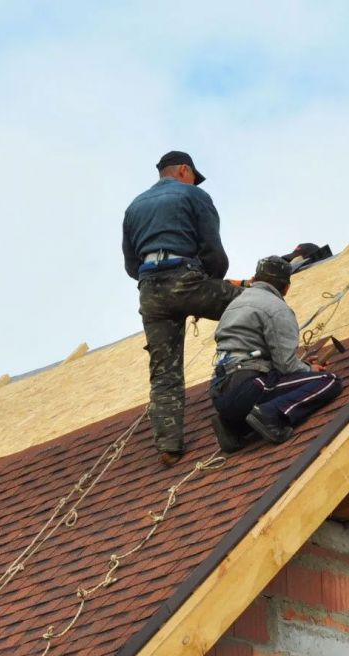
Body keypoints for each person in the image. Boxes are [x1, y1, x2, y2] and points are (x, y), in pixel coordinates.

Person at [123, 150, 244, 465]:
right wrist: (208, 285)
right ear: (183, 171)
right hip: (185, 277)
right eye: (192, 175)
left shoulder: (134, 207)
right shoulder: (193, 195)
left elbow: (130, 264)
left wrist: (157, 281)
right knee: (251, 303)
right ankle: (260, 377)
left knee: (164, 372)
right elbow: (213, 252)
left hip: (150, 291)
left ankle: (169, 446)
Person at [209, 256, 343, 452]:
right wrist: (308, 369)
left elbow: (256, 354)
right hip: (249, 386)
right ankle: (270, 415)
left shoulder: (234, 306)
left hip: (221, 395)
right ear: (286, 288)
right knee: (329, 380)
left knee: (274, 386)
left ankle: (234, 426)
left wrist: (303, 365)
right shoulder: (276, 308)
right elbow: (286, 366)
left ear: (254, 279)